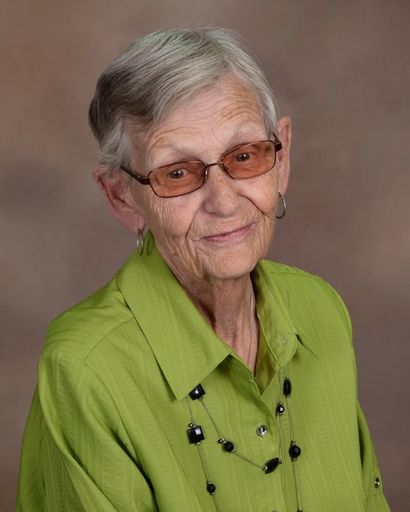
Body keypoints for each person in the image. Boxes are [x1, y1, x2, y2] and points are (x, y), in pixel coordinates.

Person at [17, 27, 389, 511]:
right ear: (122, 196)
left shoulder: (320, 310)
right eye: (177, 173)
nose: (224, 202)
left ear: (281, 158)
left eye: (244, 156)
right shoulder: (86, 371)